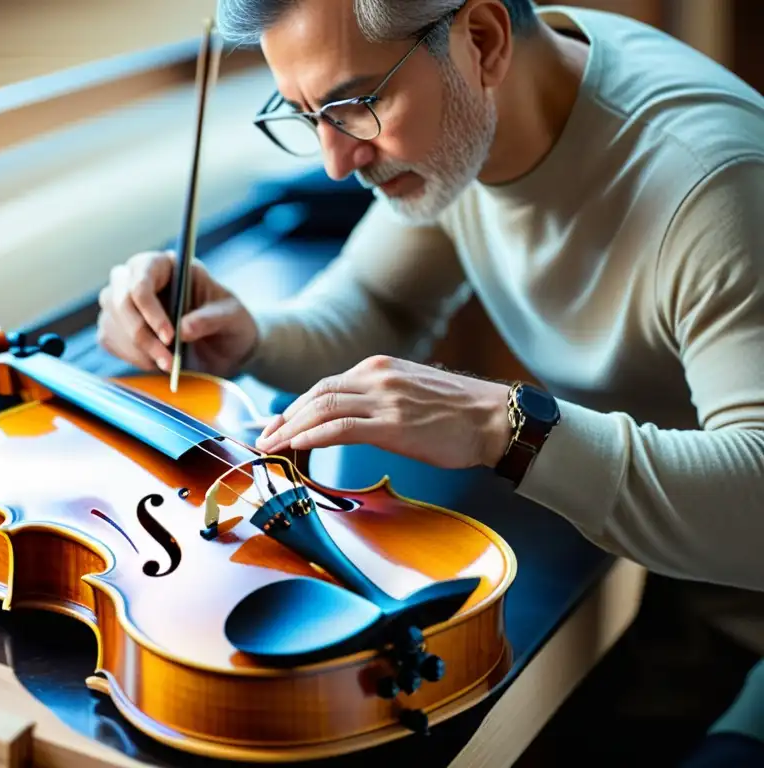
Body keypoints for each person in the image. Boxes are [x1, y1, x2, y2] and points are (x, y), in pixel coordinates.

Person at [96, 0, 763, 758]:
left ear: (482, 39)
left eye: (355, 105)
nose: (335, 161)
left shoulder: (717, 189)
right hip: (680, 583)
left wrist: (502, 427)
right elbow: (379, 302)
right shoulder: (477, 112)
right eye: (305, 112)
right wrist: (242, 332)